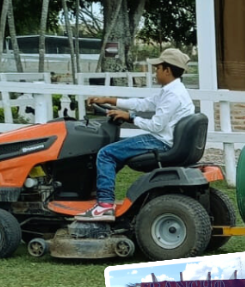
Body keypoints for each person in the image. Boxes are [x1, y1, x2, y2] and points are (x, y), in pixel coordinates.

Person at [80, 48, 195, 221]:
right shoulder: (172, 91)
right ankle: (98, 192)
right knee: (116, 150)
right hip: (165, 139)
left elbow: (156, 125)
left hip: (160, 141)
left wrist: (130, 117)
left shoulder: (173, 95)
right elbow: (143, 104)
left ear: (167, 70)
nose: (155, 71)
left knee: (106, 153)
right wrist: (109, 100)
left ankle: (104, 205)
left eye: (157, 68)